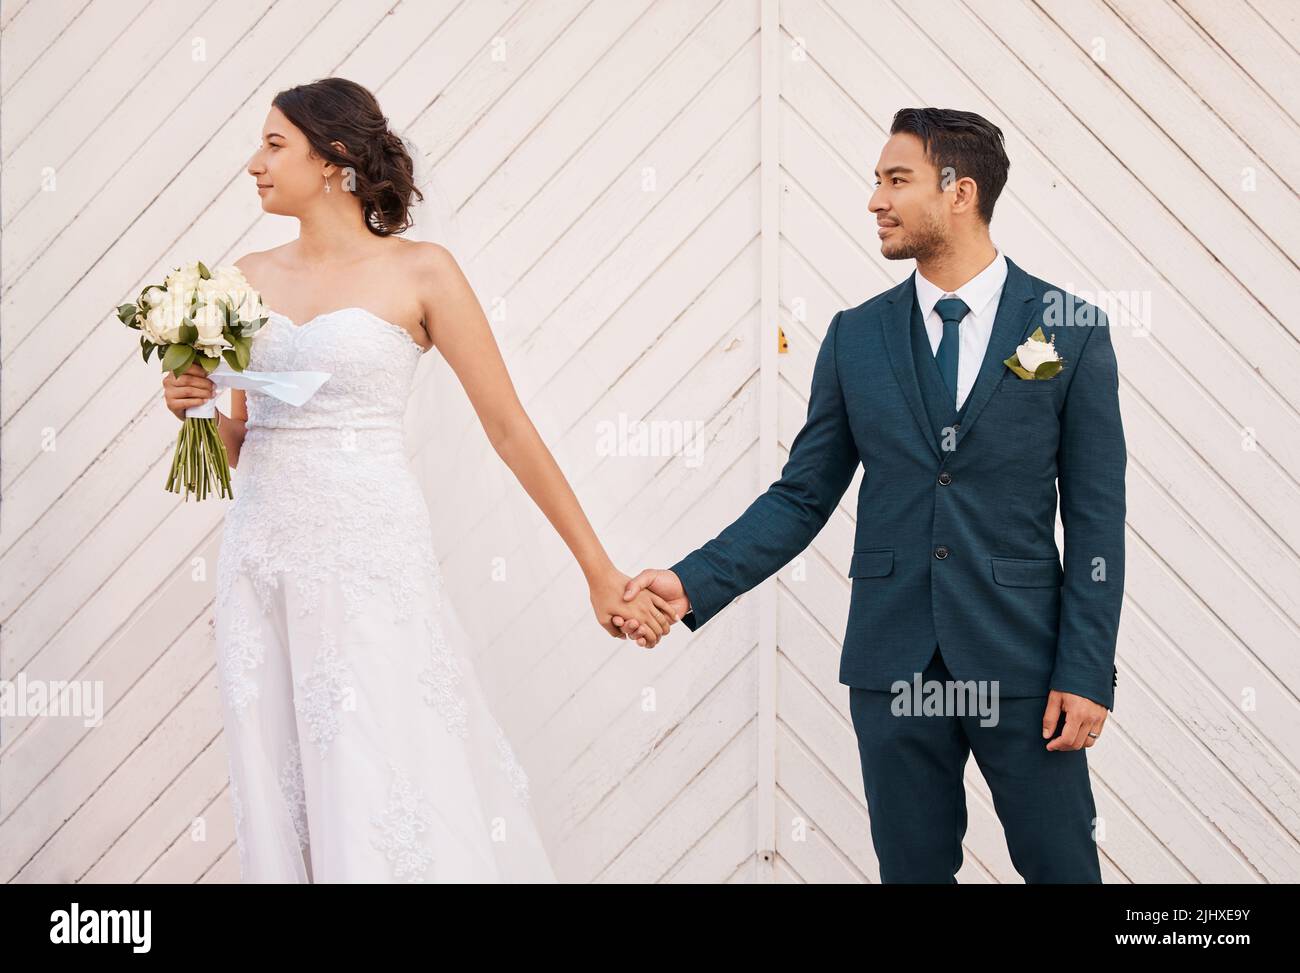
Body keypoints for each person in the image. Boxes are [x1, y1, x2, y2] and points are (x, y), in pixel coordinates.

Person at [162, 77, 676, 882]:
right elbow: (237, 438)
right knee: (280, 778)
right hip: (261, 558)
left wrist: (598, 568)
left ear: (333, 160)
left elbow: (509, 429)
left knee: (382, 765)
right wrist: (192, 406)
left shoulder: (424, 272)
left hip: (370, 558)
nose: (253, 164)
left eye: (273, 144)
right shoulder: (243, 279)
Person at [615, 107, 1126, 883]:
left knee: (1063, 869)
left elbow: (1095, 519)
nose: (875, 200)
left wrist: (1086, 670)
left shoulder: (1067, 328)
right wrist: (689, 582)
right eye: (876, 181)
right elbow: (801, 495)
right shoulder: (857, 336)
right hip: (894, 666)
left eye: (897, 180)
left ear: (961, 192)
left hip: (1028, 666)